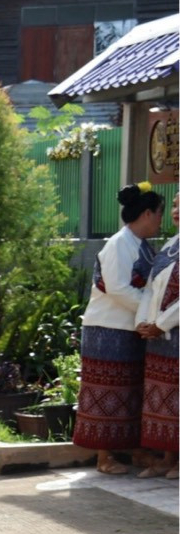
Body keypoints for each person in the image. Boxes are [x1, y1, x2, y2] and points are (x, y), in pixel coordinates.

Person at [75, 182, 164, 474]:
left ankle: (135, 451)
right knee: (108, 392)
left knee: (130, 392)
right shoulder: (118, 243)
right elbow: (117, 288)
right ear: (147, 213)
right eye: (160, 213)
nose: (162, 220)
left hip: (130, 328)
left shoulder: (140, 245)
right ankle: (104, 457)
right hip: (108, 330)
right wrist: (152, 313)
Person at [135, 197, 179, 478]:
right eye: (175, 205)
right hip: (159, 337)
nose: (176, 211)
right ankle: (166, 457)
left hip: (173, 333)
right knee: (162, 398)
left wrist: (161, 324)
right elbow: (151, 288)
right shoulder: (169, 246)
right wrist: (144, 321)